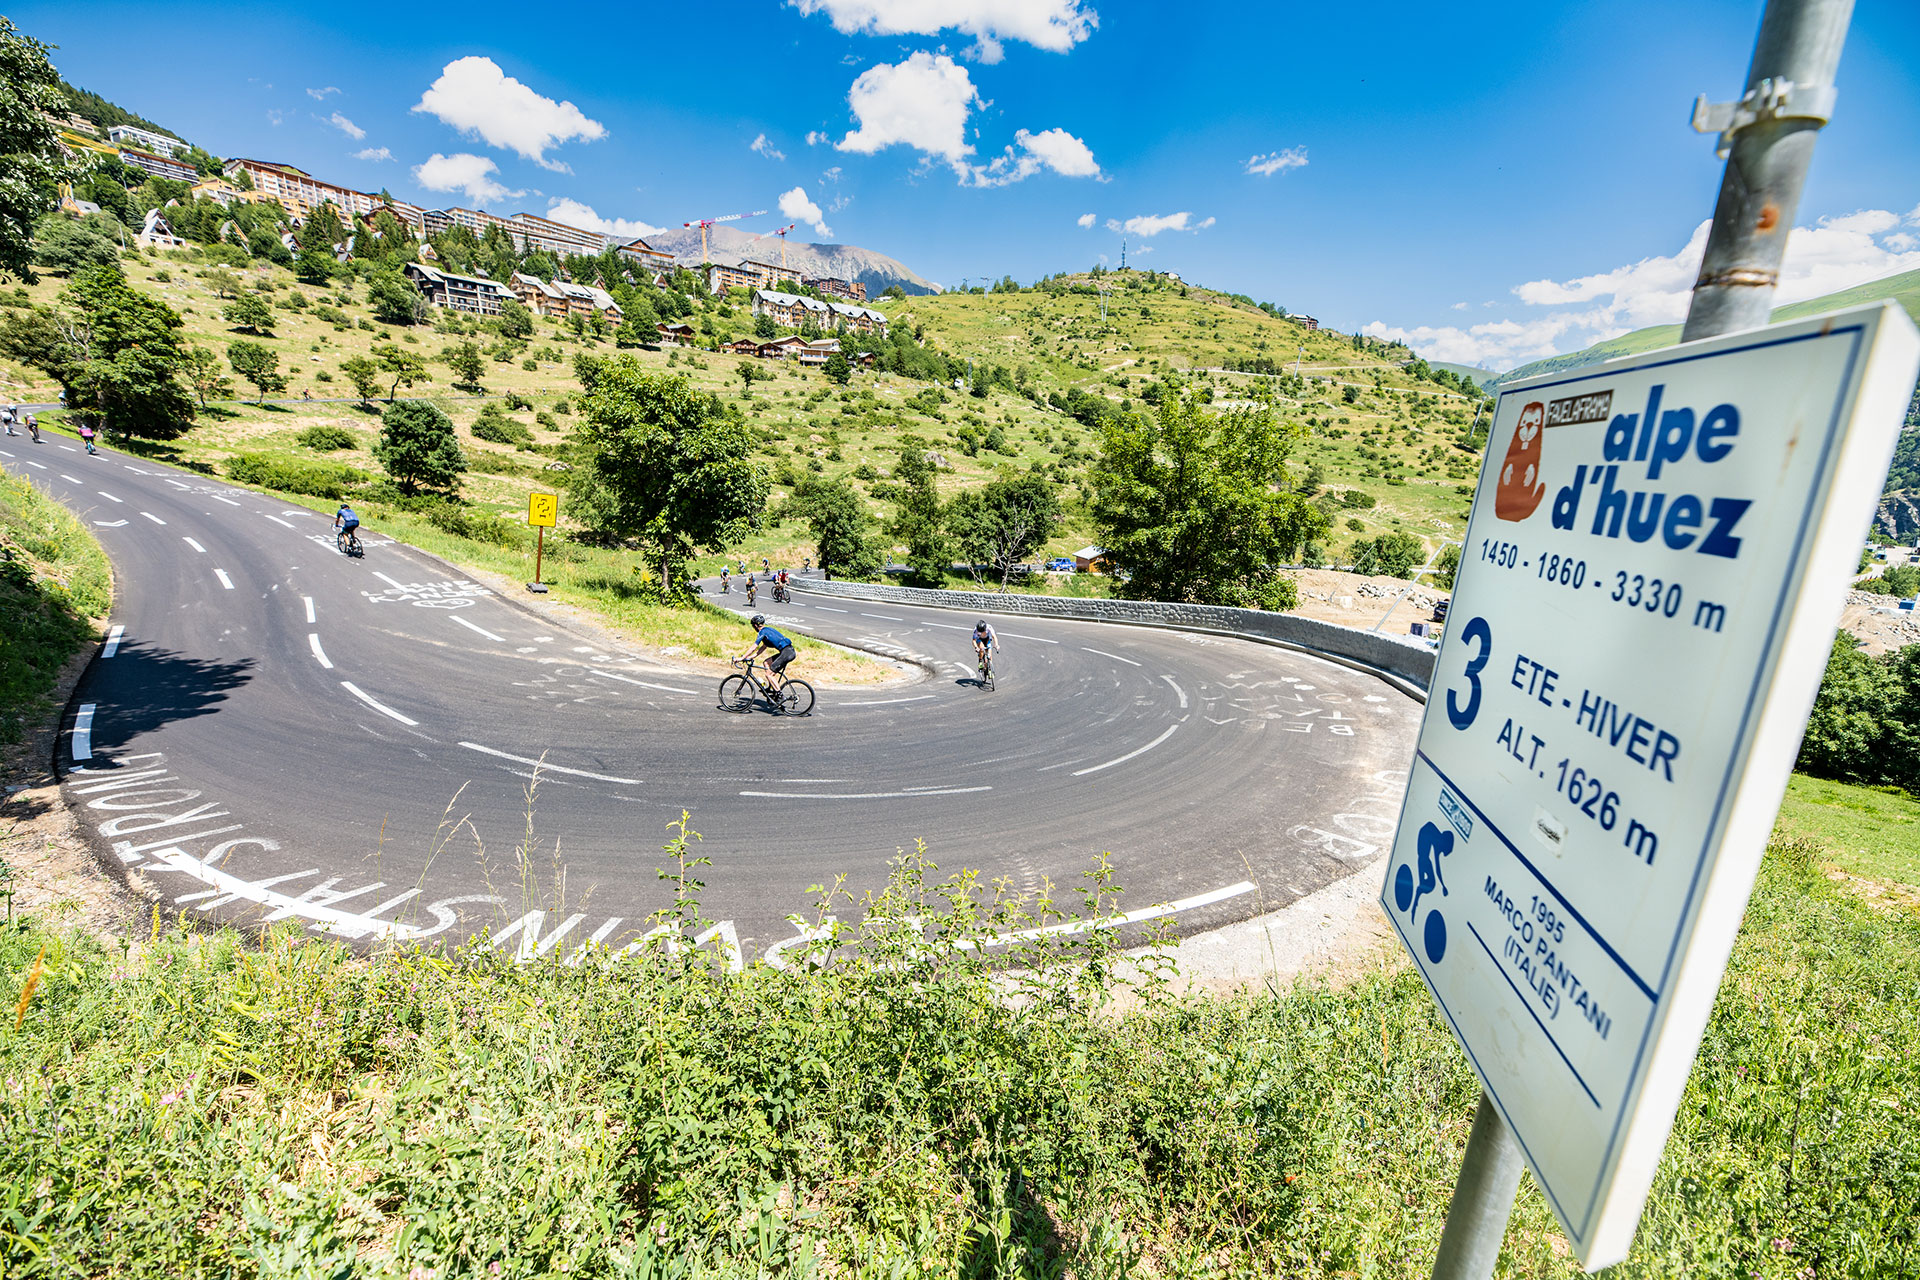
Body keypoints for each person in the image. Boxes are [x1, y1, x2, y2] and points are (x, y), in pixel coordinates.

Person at [738, 614, 797, 690]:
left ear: (755, 625)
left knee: (769, 674)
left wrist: (742, 658)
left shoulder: (762, 632)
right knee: (766, 662)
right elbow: (762, 648)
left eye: (753, 626)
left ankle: (779, 695)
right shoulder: (768, 630)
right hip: (788, 651)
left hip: (786, 653)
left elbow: (754, 647)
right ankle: (771, 687)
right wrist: (749, 657)